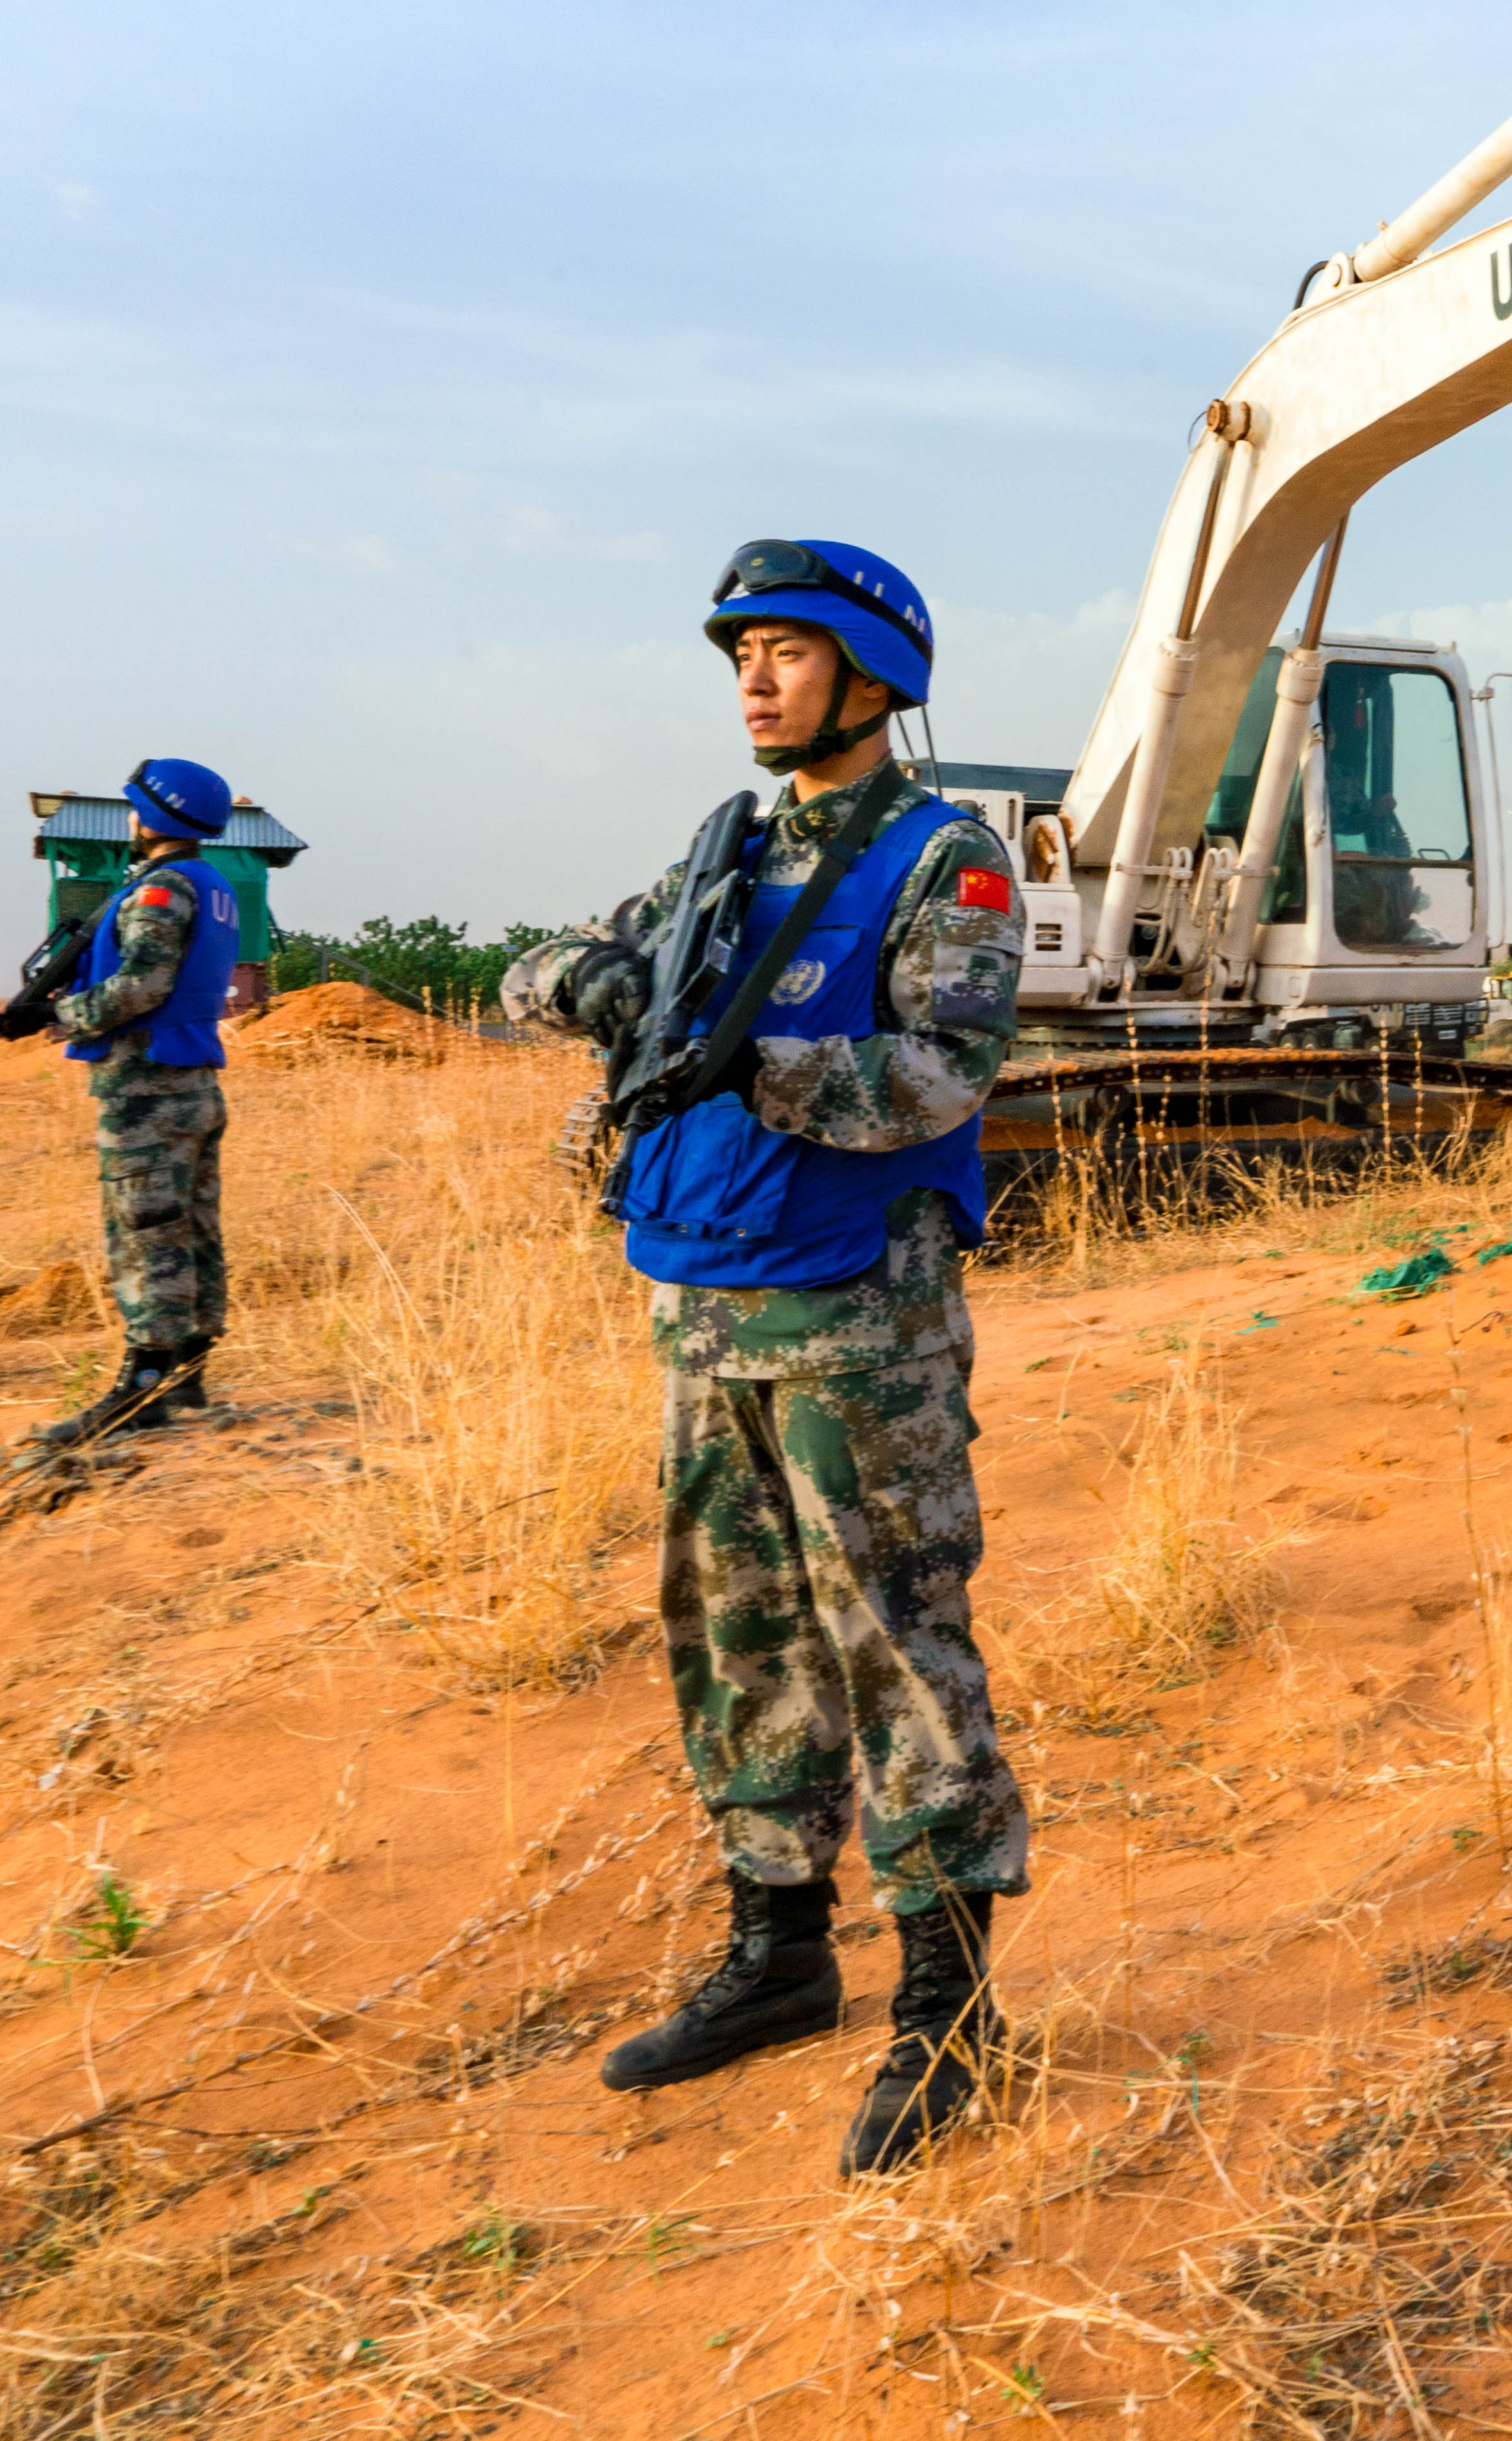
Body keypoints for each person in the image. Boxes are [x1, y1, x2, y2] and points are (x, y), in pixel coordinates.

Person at [502, 538, 1032, 2178]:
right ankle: (780, 1949)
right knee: (734, 1633)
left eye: (790, 650)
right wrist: (595, 983)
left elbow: (947, 1067)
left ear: (873, 681)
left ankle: (948, 2008)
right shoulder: (719, 853)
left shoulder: (948, 856)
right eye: (743, 650)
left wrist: (761, 1061)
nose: (754, 675)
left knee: (894, 1637)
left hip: (855, 1309)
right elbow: (536, 971)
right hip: (703, 1298)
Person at [30, 755, 244, 1452]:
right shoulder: (212, 887)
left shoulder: (161, 891)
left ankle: (142, 1384)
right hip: (193, 1084)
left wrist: (68, 1014)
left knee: (146, 1231)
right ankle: (185, 1376)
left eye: (134, 807)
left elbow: (142, 986)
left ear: (154, 816)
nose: (129, 818)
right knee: (191, 1227)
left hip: (146, 1087)